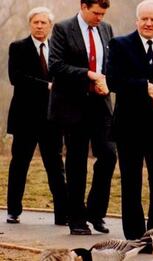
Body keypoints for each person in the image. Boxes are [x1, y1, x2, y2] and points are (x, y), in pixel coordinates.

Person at [106, 0, 153, 240]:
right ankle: (135, 236)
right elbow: (113, 81)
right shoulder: (120, 45)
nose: (149, 23)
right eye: (144, 19)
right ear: (136, 20)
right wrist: (145, 88)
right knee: (131, 183)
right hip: (130, 126)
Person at [48, 0, 117, 235]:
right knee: (76, 163)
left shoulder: (106, 29)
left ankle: (95, 212)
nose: (100, 17)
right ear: (83, 6)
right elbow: (55, 66)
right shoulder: (62, 28)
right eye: (96, 13)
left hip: (101, 105)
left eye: (103, 13)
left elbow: (110, 64)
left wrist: (106, 81)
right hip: (72, 106)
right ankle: (76, 218)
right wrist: (88, 75)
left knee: (108, 155)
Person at [6, 7, 68, 226]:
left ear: (50, 26)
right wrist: (48, 86)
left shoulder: (58, 50)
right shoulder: (18, 47)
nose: (40, 26)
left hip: (52, 118)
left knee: (56, 167)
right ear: (30, 24)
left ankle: (63, 214)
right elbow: (17, 79)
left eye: (44, 22)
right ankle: (13, 210)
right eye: (36, 22)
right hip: (25, 118)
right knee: (20, 164)